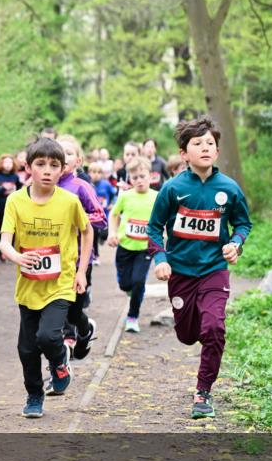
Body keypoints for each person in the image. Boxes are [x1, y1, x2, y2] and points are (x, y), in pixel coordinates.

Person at [148, 115, 252, 420]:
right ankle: (191, 328)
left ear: (217, 151)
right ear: (184, 153)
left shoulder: (229, 188)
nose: (205, 148)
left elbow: (243, 223)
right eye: (197, 143)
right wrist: (161, 259)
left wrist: (236, 243)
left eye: (210, 143)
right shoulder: (172, 189)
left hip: (214, 269)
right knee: (187, 334)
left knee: (214, 328)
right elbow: (153, 228)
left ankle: (203, 392)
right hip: (180, 272)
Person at [0, 138, 91, 418]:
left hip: (60, 283)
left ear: (63, 169)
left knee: (49, 336)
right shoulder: (15, 201)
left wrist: (81, 271)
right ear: (28, 167)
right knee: (27, 349)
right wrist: (18, 257)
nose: (48, 170)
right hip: (28, 285)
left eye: (54, 165)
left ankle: (59, 360)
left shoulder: (69, 201)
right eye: (41, 164)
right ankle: (34, 395)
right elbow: (4, 242)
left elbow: (87, 231)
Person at [56, 135, 106, 362]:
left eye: (69, 153)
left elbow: (101, 218)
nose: (63, 157)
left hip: (79, 259)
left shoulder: (81, 187)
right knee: (58, 304)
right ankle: (67, 340)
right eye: (59, 152)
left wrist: (78, 220)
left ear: (78, 160)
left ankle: (85, 330)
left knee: (74, 310)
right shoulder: (44, 186)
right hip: (53, 258)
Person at [106, 157, 158, 332]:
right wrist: (112, 233)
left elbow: (164, 219)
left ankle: (132, 316)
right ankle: (132, 289)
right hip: (125, 247)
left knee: (138, 281)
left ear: (150, 176)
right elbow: (114, 215)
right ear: (130, 179)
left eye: (142, 176)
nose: (139, 180)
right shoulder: (126, 196)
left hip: (145, 248)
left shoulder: (156, 197)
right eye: (135, 178)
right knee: (125, 284)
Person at [0, 154, 21, 262]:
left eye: (10, 162)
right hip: (0, 207)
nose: (8, 164)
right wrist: (2, 190)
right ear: (1, 164)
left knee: (13, 228)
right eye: (5, 162)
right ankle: (1, 251)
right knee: (1, 228)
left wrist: (14, 191)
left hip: (14, 206)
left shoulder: (15, 177)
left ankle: (10, 250)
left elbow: (20, 190)